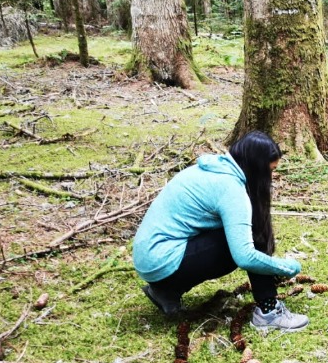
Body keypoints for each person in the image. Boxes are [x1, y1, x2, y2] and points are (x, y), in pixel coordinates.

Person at [132, 131, 308, 331]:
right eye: (270, 171)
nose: (271, 177)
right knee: (252, 236)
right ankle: (268, 311)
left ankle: (165, 291)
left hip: (148, 256)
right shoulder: (231, 190)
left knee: (237, 231)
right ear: (256, 168)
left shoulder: (213, 168)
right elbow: (245, 257)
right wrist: (285, 267)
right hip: (162, 259)